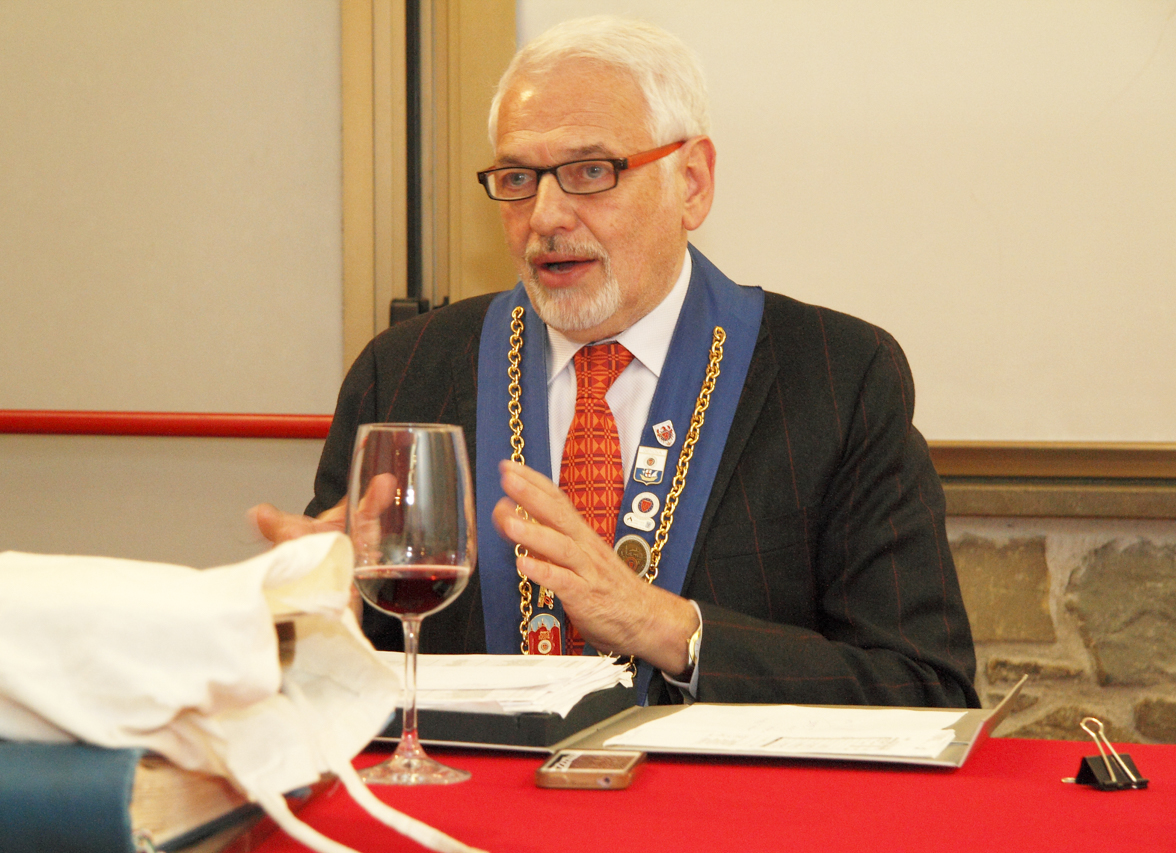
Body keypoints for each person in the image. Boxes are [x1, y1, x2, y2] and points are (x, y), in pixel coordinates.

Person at [255, 15, 979, 709]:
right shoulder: (405, 371)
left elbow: (923, 686)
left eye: (591, 171)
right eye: (518, 178)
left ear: (691, 183)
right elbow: (336, 684)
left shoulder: (837, 375)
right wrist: (314, 626)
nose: (545, 216)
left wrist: (665, 628)